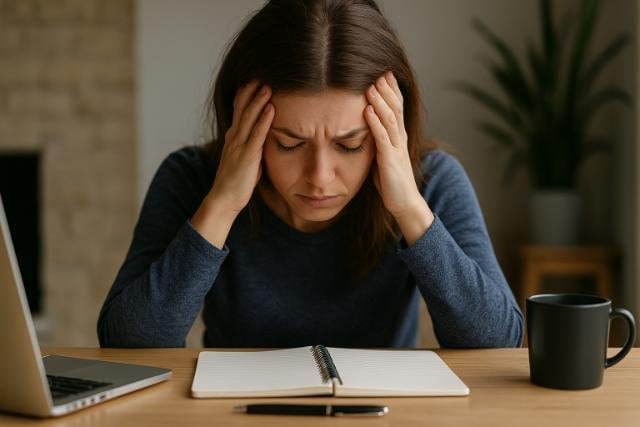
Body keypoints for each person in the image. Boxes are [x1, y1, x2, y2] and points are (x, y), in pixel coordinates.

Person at [98, 0, 523, 348]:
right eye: (288, 143)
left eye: (350, 145)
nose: (319, 177)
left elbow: (498, 342)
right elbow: (128, 342)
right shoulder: (191, 178)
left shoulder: (433, 182)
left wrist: (409, 208)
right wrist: (222, 203)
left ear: (389, 129)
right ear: (241, 122)